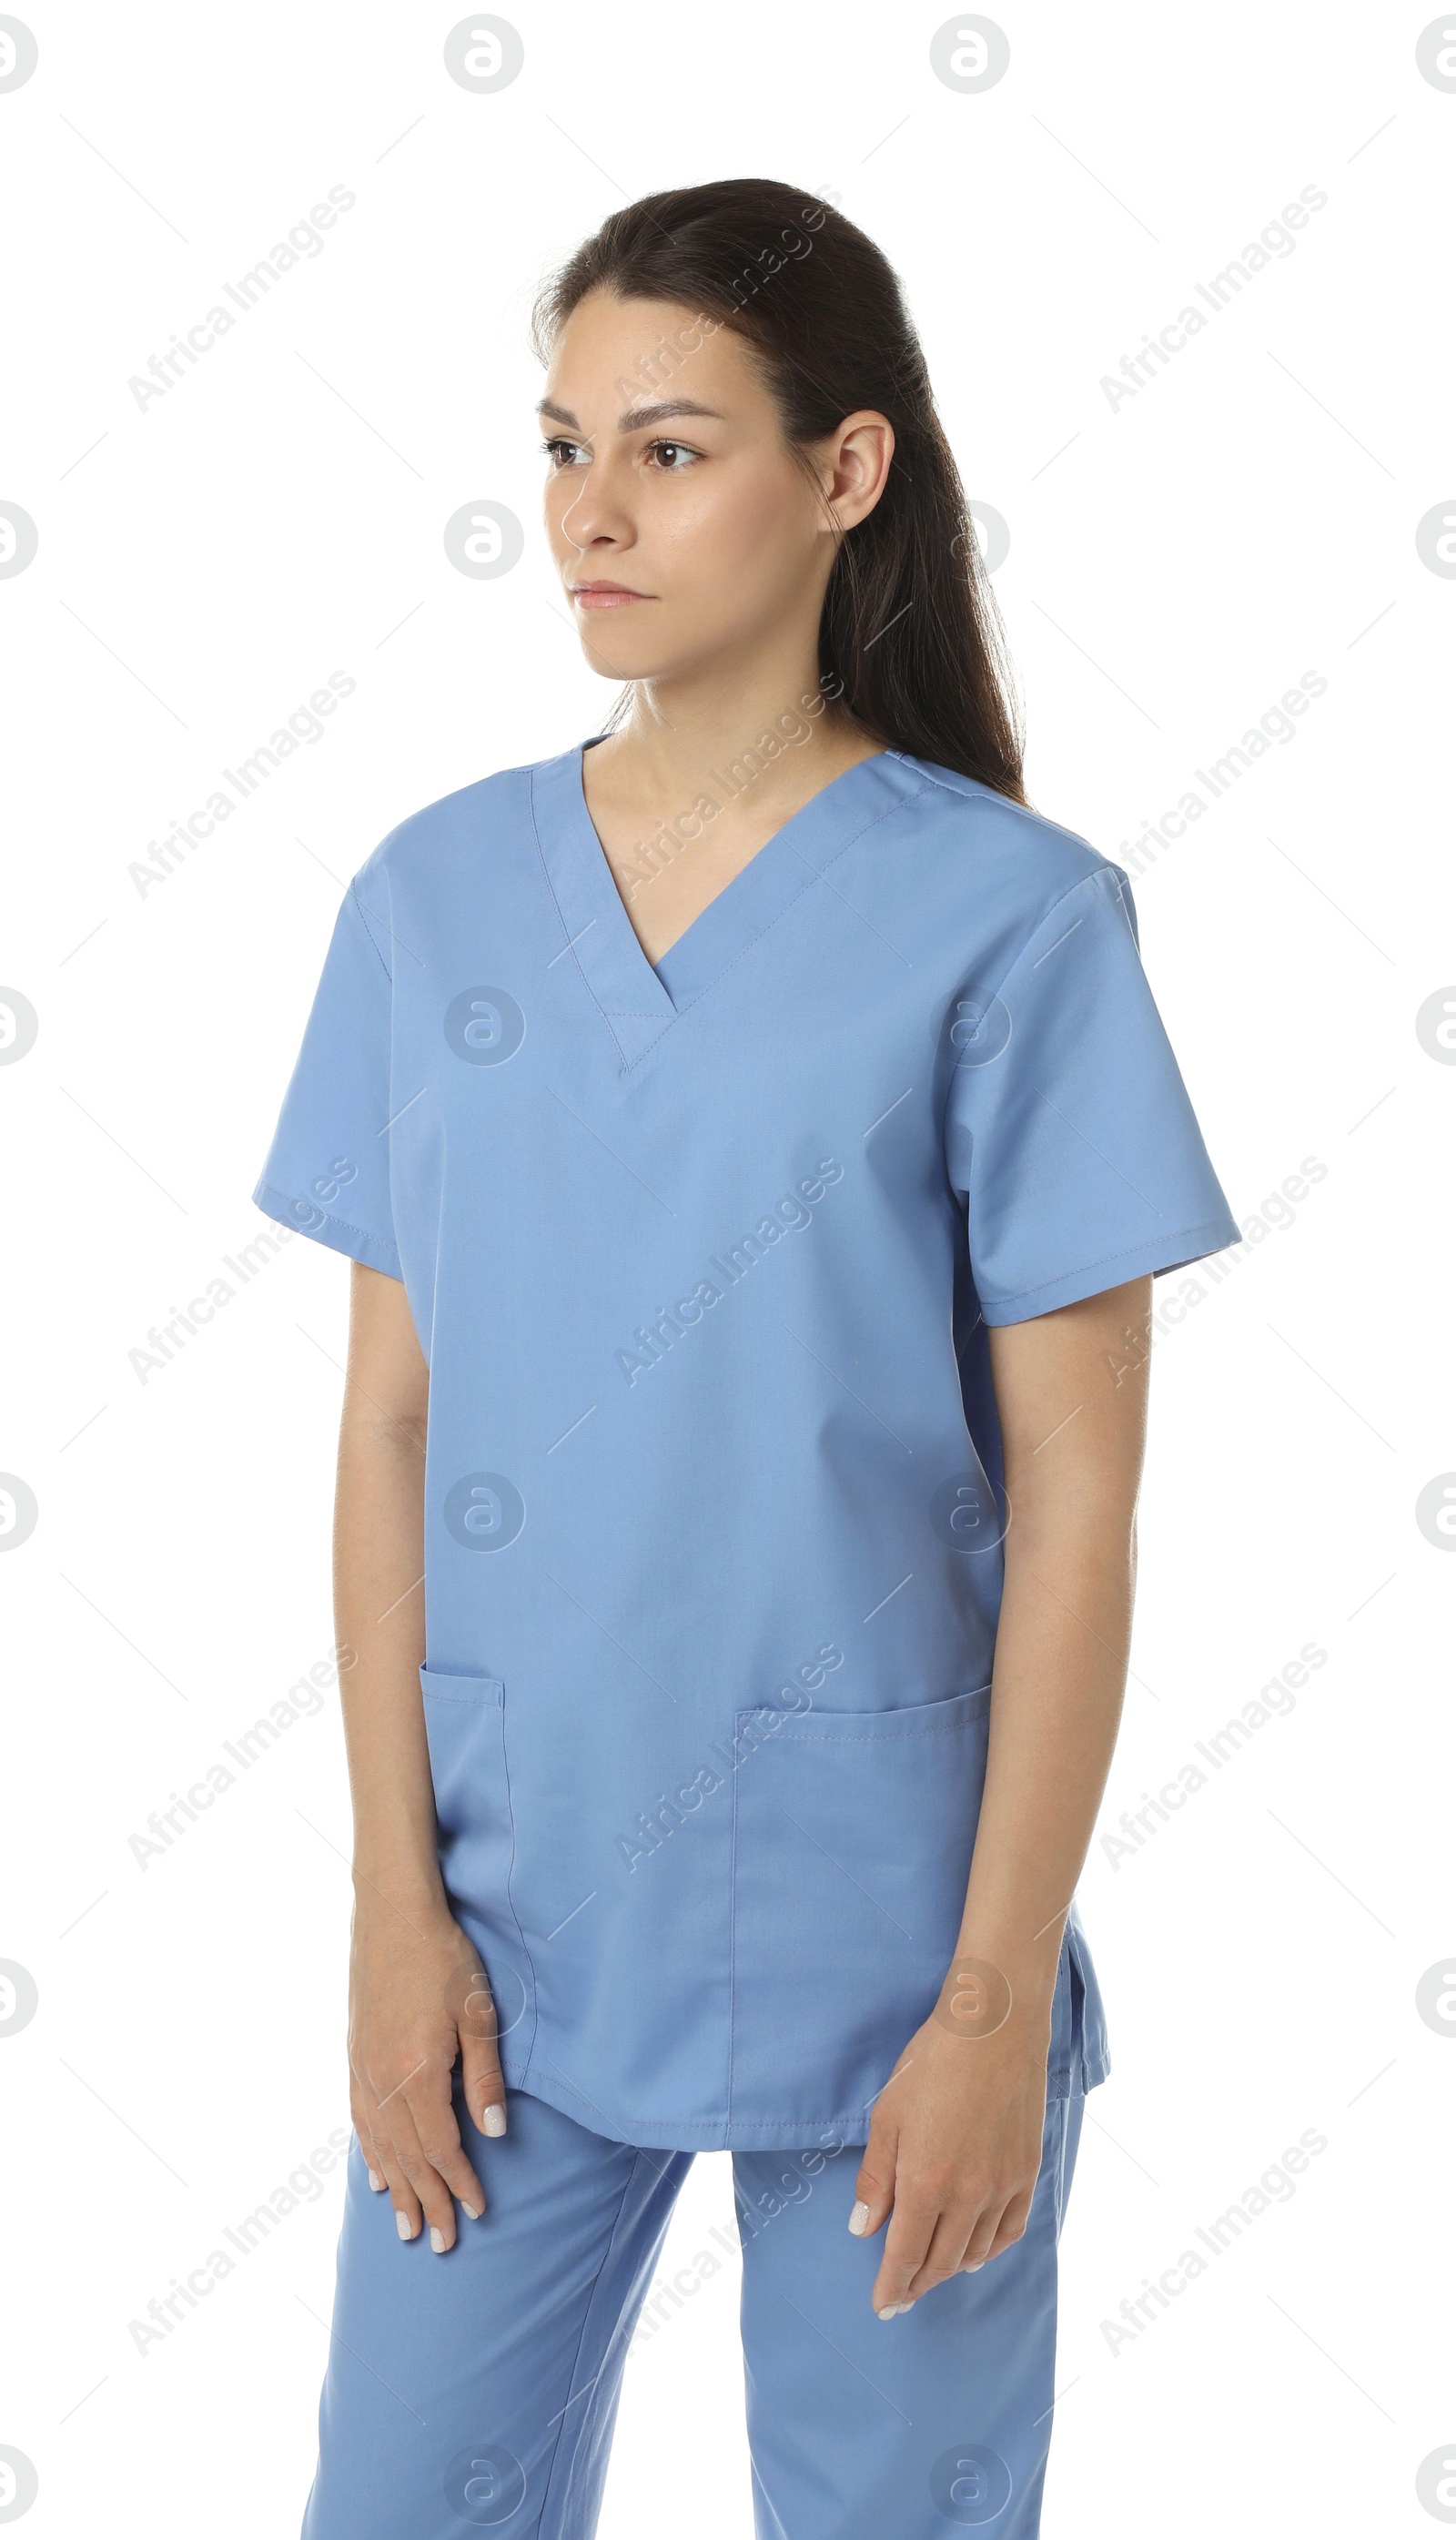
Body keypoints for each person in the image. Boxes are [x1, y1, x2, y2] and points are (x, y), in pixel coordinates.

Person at [254, 178, 1239, 2540]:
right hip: (512, 1917)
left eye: (672, 450)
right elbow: (389, 1429)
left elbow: (1083, 1498)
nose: (590, 510)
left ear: (846, 474)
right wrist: (395, 1909)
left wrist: (996, 1997)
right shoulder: (433, 899)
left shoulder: (1012, 921)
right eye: (566, 444)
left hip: (893, 1928)